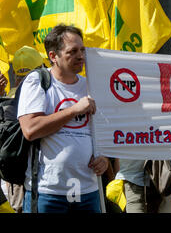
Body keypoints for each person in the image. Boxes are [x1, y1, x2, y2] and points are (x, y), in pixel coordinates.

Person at [17, 24, 109, 213]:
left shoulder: (91, 85)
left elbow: (104, 131)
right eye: (72, 51)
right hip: (48, 193)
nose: (81, 56)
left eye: (82, 50)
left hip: (88, 191)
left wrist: (105, 158)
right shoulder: (37, 81)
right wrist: (74, 110)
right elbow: (30, 129)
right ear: (53, 56)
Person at [1, 46, 45, 213]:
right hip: (33, 177)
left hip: (14, 179)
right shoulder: (44, 92)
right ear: (40, 69)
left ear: (15, 75)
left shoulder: (7, 99)